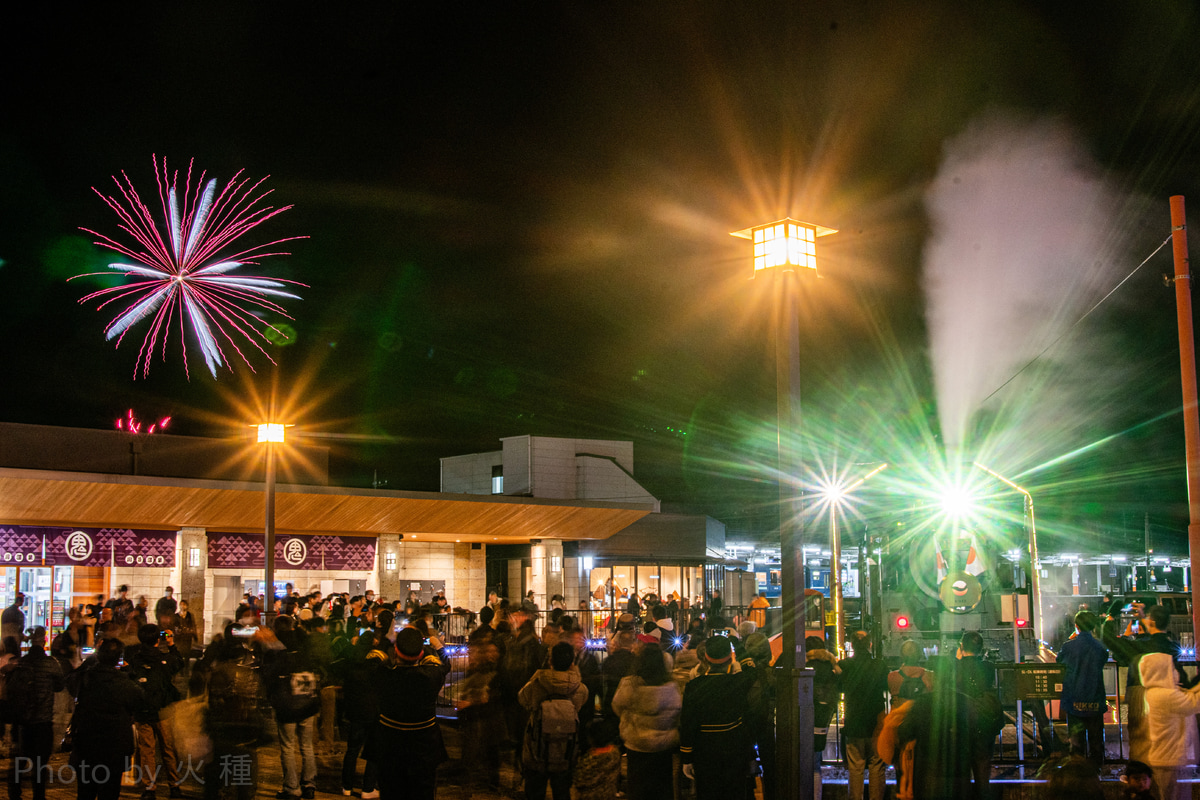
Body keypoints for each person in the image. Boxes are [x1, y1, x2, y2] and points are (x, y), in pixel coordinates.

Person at [367, 627, 451, 800]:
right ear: (420, 654)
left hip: (389, 746)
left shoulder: (383, 675)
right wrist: (438, 647)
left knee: (390, 792)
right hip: (424, 748)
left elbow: (373, 659)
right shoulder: (431, 677)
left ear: (396, 651)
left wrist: (386, 644)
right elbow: (445, 665)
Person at [1101, 600, 1188, 762]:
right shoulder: (1171, 646)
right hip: (1167, 701)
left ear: (1152, 621)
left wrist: (1111, 616)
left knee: (1140, 742)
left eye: (1147, 617)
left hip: (1141, 699)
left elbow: (1108, 639)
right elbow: (1156, 637)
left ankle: (1140, 776)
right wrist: (1143, 619)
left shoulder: (1140, 648)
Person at [68, 638, 145, 800]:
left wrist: (92, 660)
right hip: (114, 748)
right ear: (119, 658)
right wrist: (131, 673)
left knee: (85, 792)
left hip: (87, 745)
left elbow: (69, 681)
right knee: (109, 793)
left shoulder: (85, 678)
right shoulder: (124, 683)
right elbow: (139, 700)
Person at [679, 635, 756, 800]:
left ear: (706, 657)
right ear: (730, 657)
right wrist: (737, 644)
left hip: (704, 752)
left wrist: (687, 756)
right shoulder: (738, 682)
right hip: (734, 750)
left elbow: (687, 724)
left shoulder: (693, 687)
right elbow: (751, 668)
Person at [518, 641, 588, 800]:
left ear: (550, 661)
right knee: (562, 792)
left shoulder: (537, 682)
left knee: (535, 791)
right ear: (572, 663)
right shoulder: (579, 688)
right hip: (565, 751)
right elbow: (580, 705)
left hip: (538, 749)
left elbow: (522, 699)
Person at [612, 642, 682, 800]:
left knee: (637, 786)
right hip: (663, 746)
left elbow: (616, 706)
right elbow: (678, 713)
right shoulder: (671, 687)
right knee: (662, 786)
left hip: (636, 744)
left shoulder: (629, 684)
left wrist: (629, 720)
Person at [5, 627, 65, 800]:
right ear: (44, 641)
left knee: (18, 762)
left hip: (22, 721)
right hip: (43, 721)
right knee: (40, 766)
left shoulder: (22, 663)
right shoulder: (51, 663)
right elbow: (60, 686)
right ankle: (39, 796)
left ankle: (14, 795)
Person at [126, 624, 185, 800]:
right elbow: (179, 662)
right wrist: (171, 643)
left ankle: (150, 788)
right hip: (163, 710)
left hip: (142, 711)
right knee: (168, 749)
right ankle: (174, 786)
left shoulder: (135, 659)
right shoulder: (164, 659)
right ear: (158, 639)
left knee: (147, 751)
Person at [267, 617, 322, 800]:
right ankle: (309, 785)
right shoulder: (304, 643)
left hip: (287, 705)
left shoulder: (276, 647)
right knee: (307, 745)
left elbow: (270, 674)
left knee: (288, 747)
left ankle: (292, 788)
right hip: (308, 702)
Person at [1140, 651, 1200, 800]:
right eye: (1172, 668)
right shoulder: (1164, 695)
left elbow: (1187, 695)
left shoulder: (1155, 692)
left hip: (1164, 756)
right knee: (1169, 796)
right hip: (1166, 757)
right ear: (1161, 671)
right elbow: (1193, 702)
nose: (1175, 672)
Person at [839, 630, 889, 800]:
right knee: (877, 765)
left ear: (852, 645)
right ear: (870, 645)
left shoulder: (844, 665)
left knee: (855, 766)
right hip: (876, 722)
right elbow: (885, 686)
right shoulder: (880, 665)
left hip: (854, 722)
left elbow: (840, 688)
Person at [1056, 610, 1107, 767]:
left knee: (1076, 743)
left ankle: (1078, 774)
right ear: (1093, 627)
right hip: (1095, 699)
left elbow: (1059, 660)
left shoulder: (1069, 646)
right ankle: (1096, 772)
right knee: (1096, 741)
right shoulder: (1100, 648)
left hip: (1074, 699)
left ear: (1076, 626)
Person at [954, 630, 1001, 799]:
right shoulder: (988, 667)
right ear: (981, 648)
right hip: (983, 722)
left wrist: (958, 659)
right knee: (983, 768)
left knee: (961, 771)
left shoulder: (955, 666)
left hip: (961, 723)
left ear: (961, 646)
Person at [335, 633, 382, 799]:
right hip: (373, 711)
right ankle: (368, 788)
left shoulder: (351, 662)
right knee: (373, 751)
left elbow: (337, 665)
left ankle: (346, 786)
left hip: (355, 711)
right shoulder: (375, 663)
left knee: (352, 749)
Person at [807, 636, 841, 800]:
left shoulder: (805, 666)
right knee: (816, 758)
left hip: (807, 714)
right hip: (824, 714)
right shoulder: (831, 666)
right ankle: (817, 795)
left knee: (807, 759)